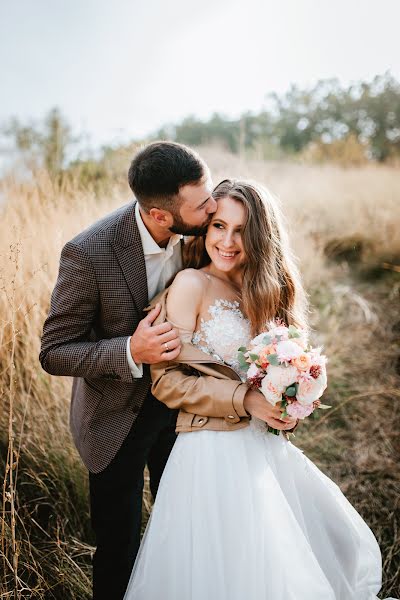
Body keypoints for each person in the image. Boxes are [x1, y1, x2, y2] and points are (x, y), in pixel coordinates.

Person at [123, 179, 391, 600]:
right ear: (205, 228)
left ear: (260, 237)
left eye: (241, 231)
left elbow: (277, 365)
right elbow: (167, 382)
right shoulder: (192, 284)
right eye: (218, 227)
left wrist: (292, 395)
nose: (227, 242)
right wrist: (245, 400)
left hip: (262, 444)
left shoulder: (263, 289)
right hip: (209, 449)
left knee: (300, 550)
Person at [39, 141, 219, 600]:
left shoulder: (204, 232)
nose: (213, 207)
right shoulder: (88, 252)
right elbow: (55, 351)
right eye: (201, 204)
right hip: (114, 419)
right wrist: (130, 350)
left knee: (183, 527)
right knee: (119, 545)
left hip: (183, 406)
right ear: (161, 216)